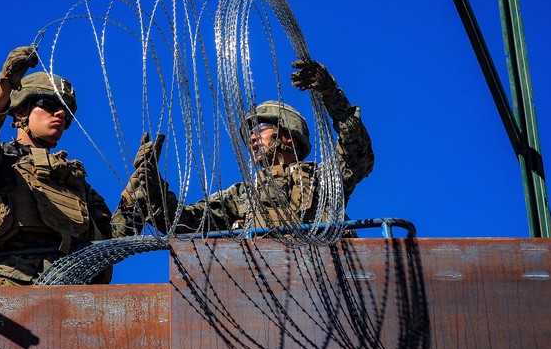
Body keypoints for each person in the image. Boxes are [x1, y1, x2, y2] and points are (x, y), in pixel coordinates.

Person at [112, 59, 374, 236]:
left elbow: (356, 154)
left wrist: (331, 95)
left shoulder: (322, 180)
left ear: (288, 138)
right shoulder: (242, 195)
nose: (251, 138)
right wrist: (153, 183)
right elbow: (187, 222)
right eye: (249, 133)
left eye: (260, 129)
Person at [0, 46, 117, 286]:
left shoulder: (71, 179)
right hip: (5, 289)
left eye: (66, 112)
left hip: (71, 292)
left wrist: (139, 189)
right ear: (21, 111)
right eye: (49, 104)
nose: (61, 114)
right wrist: (5, 87)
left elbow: (110, 240)